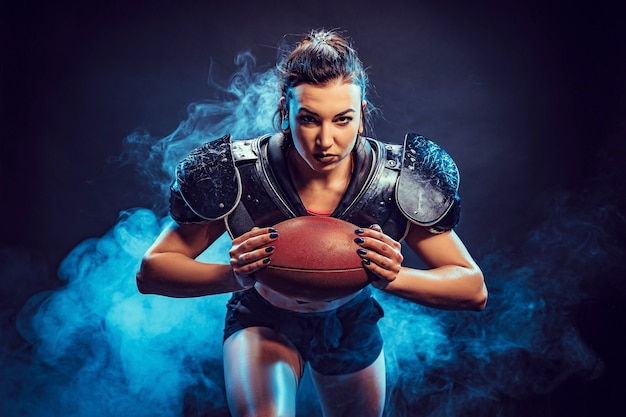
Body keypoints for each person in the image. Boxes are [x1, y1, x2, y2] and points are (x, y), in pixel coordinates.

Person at [136, 28, 487, 417]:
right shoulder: (238, 172)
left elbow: (473, 289)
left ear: (362, 113)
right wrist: (234, 276)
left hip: (349, 321)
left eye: (342, 120)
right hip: (264, 317)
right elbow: (151, 272)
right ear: (285, 110)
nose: (326, 140)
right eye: (309, 119)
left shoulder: (397, 179)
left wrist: (392, 277)